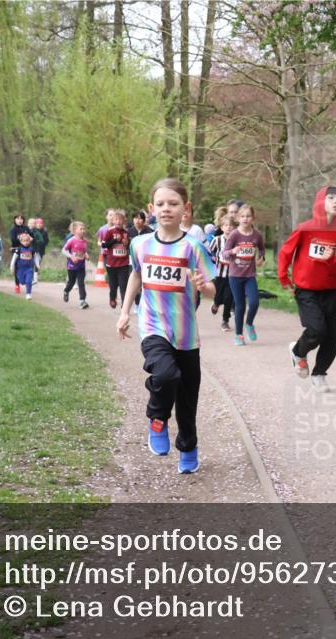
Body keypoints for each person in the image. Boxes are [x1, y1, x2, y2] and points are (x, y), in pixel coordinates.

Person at [117, 178, 216, 474]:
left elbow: (212, 290)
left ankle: (188, 447)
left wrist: (203, 285)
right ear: (151, 209)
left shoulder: (193, 246)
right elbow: (136, 275)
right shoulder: (140, 243)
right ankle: (157, 418)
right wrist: (124, 312)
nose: (166, 209)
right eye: (160, 204)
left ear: (185, 209)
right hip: (152, 325)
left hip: (185, 334)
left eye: (173, 204)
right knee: (165, 374)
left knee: (187, 400)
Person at [277, 186, 336, 393]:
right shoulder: (305, 229)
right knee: (317, 330)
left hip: (331, 291)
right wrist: (284, 278)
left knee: (333, 337)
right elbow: (285, 253)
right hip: (306, 290)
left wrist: (331, 260)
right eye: (331, 198)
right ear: (320, 202)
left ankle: (319, 374)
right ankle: (298, 351)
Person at [221, 203, 265, 345]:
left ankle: (249, 324)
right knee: (240, 305)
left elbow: (262, 250)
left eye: (248, 216)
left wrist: (260, 258)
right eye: (243, 216)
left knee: (254, 302)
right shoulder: (234, 234)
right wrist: (233, 252)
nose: (245, 219)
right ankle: (238, 335)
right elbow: (225, 253)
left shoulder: (257, 235)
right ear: (238, 218)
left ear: (253, 218)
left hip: (250, 275)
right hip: (235, 275)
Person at [206, 207, 234, 332]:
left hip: (232, 274)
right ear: (221, 228)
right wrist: (213, 261)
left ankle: (225, 321)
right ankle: (216, 304)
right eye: (226, 225)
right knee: (218, 296)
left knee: (229, 297)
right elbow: (209, 253)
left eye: (230, 225)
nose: (228, 228)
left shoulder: (236, 241)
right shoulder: (217, 240)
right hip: (219, 273)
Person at [101, 209, 132, 309]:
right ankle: (112, 298)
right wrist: (114, 240)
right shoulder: (109, 232)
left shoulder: (126, 233)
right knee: (113, 286)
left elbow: (129, 247)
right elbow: (104, 245)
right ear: (113, 221)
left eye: (120, 219)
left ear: (124, 221)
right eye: (116, 219)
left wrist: (127, 244)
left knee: (124, 285)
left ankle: (124, 304)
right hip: (112, 264)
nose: (118, 221)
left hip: (123, 263)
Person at [62, 221, 90, 309]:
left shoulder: (85, 241)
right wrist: (71, 257)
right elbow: (64, 250)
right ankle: (66, 291)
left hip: (81, 266)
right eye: (81, 229)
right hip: (72, 266)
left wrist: (86, 255)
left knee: (81, 283)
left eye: (83, 229)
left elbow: (83, 251)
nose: (83, 230)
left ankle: (82, 301)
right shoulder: (71, 240)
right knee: (71, 282)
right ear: (74, 231)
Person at [11, 232, 38, 300]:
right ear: (21, 241)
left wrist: (37, 265)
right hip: (20, 269)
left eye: (27, 240)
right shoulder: (19, 249)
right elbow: (14, 259)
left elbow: (35, 257)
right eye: (24, 241)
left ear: (29, 241)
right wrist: (12, 267)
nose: (26, 242)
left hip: (29, 268)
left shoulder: (32, 249)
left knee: (28, 281)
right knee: (22, 282)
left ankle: (28, 294)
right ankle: (23, 282)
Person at [9, 214, 32, 294]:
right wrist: (22, 239)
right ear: (15, 220)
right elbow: (13, 240)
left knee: (27, 266)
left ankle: (27, 279)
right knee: (17, 268)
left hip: (26, 250)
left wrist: (29, 239)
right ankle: (17, 285)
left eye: (21, 219)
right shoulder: (13, 229)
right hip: (16, 249)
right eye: (18, 219)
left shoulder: (26, 228)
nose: (20, 220)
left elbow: (32, 237)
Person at [31, 218, 49, 284]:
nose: (39, 224)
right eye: (38, 223)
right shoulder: (32, 231)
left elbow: (47, 241)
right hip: (32, 249)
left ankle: (35, 278)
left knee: (38, 264)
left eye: (41, 223)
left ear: (42, 224)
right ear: (36, 224)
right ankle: (31, 277)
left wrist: (42, 243)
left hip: (41, 250)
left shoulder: (44, 232)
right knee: (31, 263)